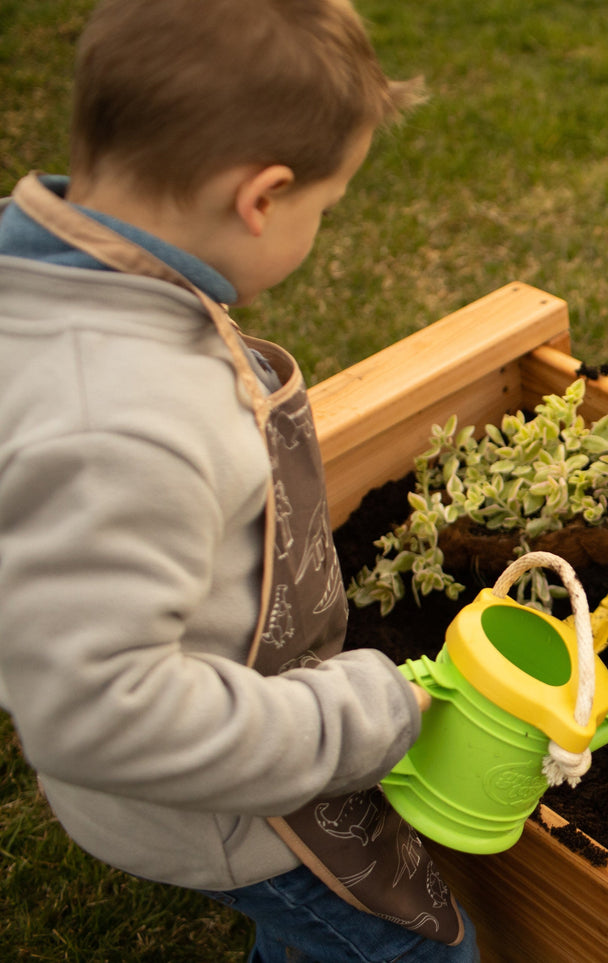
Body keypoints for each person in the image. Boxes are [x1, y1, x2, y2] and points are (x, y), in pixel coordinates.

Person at [0, 1, 479, 959]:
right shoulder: (125, 423)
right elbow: (102, 713)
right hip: (231, 809)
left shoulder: (63, 281)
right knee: (419, 949)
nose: (320, 228)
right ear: (260, 198)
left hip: (208, 748)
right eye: (323, 208)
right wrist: (355, 715)